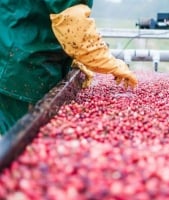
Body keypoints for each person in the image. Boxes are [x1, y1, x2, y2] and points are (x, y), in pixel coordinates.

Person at [0, 1, 138, 135]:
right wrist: (107, 61)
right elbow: (72, 20)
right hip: (24, 65)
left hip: (13, 53)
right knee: (20, 140)